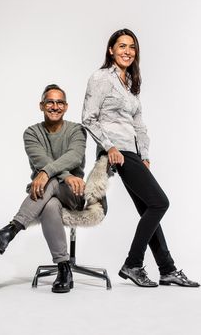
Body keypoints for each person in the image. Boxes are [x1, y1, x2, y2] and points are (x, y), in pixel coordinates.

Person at [82, 29, 199, 288]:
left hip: (132, 152)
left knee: (150, 209)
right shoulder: (101, 78)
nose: (127, 51)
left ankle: (167, 269)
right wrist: (109, 147)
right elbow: (88, 118)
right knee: (160, 203)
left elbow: (139, 124)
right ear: (110, 49)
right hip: (117, 152)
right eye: (121, 46)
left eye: (132, 47)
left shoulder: (131, 83)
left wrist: (144, 154)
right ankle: (133, 264)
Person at [0, 84, 86, 293]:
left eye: (60, 102)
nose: (55, 106)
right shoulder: (31, 133)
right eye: (50, 102)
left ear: (66, 107)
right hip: (46, 196)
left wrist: (50, 173)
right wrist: (59, 173)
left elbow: (74, 156)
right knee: (49, 207)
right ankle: (64, 268)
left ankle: (10, 230)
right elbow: (41, 160)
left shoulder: (77, 130)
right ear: (41, 106)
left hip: (74, 193)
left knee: (47, 179)